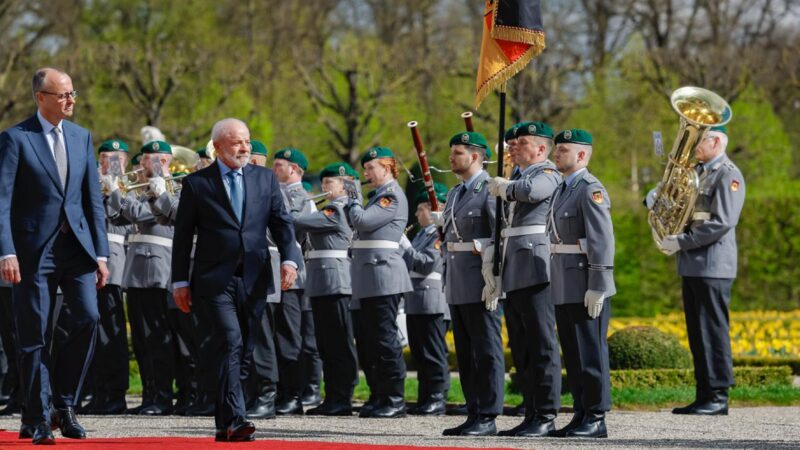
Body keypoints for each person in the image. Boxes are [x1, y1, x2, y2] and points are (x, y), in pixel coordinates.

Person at [171, 118, 301, 442]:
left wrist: (289, 260)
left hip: (254, 278)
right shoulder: (197, 184)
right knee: (230, 341)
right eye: (236, 143)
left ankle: (223, 422)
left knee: (243, 353)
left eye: (246, 141)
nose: (245, 148)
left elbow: (282, 224)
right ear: (217, 147)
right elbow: (183, 237)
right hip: (214, 280)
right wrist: (179, 282)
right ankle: (239, 419)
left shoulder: (264, 178)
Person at [0, 67, 109, 444]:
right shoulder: (15, 139)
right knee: (33, 335)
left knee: (89, 318)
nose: (71, 100)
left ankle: (63, 403)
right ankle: (36, 417)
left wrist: (101, 253)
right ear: (40, 97)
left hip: (76, 249)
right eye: (62, 94)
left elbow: (91, 198)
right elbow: (2, 199)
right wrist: (6, 250)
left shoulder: (81, 137)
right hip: (32, 252)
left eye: (72, 93)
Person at [656, 125, 745, 416]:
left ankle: (718, 395)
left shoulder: (727, 174)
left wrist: (681, 242)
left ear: (717, 141)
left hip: (713, 264)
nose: (695, 145)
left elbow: (722, 223)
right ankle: (704, 393)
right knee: (697, 332)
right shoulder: (700, 173)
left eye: (701, 140)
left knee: (713, 331)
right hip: (694, 264)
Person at [487, 122, 563, 437]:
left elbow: (534, 193)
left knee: (542, 344)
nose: (512, 148)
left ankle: (546, 413)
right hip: (514, 266)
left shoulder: (546, 173)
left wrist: (505, 188)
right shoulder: (518, 176)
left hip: (535, 265)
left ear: (541, 149)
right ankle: (531, 410)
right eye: (512, 143)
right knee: (521, 346)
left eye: (520, 143)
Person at [433, 131, 503, 436]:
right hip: (458, 281)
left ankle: (488, 413)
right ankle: (473, 409)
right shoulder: (456, 193)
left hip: (481, 279)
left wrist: (492, 270)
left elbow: (500, 235)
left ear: (475, 156)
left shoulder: (489, 190)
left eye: (457, 152)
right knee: (465, 351)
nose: (451, 158)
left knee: (486, 350)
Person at [548, 128, 615, 438]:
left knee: (590, 352)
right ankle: (581, 411)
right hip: (565, 281)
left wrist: (599, 283)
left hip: (586, 282)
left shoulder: (590, 189)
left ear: (582, 155)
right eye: (556, 149)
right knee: (573, 354)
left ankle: (596, 417)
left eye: (562, 150)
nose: (555, 154)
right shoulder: (563, 189)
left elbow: (602, 240)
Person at [104, 140, 178, 416]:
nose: (143, 164)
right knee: (143, 340)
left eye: (149, 160)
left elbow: (141, 213)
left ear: (164, 162)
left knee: (156, 337)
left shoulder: (173, 189)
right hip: (135, 271)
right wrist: (115, 192)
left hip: (158, 271)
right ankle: (149, 394)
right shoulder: (146, 189)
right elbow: (119, 216)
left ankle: (161, 395)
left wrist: (118, 194)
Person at [348, 146, 413, 418]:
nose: (365, 173)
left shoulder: (391, 196)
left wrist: (352, 198)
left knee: (385, 339)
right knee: (371, 339)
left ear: (386, 168)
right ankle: (379, 395)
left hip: (383, 274)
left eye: (370, 168)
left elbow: (362, 221)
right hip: (370, 275)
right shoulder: (378, 196)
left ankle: (394, 399)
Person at [293, 162, 361, 416]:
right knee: (326, 342)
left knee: (339, 341)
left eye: (329, 183)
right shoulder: (330, 207)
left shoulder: (338, 209)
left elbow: (300, 220)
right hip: (322, 280)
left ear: (344, 185)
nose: (324, 188)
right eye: (323, 183)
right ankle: (333, 394)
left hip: (336, 280)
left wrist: (289, 209)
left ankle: (342, 395)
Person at [270, 147, 320, 415]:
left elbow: (292, 227)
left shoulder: (302, 197)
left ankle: (294, 394)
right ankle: (282, 391)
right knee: (277, 335)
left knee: (290, 336)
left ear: (295, 170)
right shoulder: (276, 193)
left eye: (280, 165)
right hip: (273, 270)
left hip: (292, 275)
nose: (274, 168)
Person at [398, 183, 451, 416]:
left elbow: (426, 262)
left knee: (432, 351)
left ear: (435, 207)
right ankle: (425, 396)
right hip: (416, 299)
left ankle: (437, 396)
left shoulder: (440, 233)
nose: (418, 214)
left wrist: (404, 244)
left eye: (422, 209)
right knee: (419, 351)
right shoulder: (421, 234)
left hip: (432, 298)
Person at [89, 139, 132, 414]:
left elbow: (125, 215)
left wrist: (113, 187)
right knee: (92, 330)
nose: (108, 163)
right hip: (87, 260)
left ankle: (116, 393)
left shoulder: (129, 185)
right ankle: (99, 390)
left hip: (114, 263)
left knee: (112, 332)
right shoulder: (93, 180)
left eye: (114, 158)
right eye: (104, 158)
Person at [243, 139, 282, 420]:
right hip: (238, 267)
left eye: (253, 161)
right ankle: (250, 391)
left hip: (262, 263)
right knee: (245, 335)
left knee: (262, 334)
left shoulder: (268, 187)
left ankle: (267, 393)